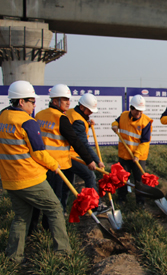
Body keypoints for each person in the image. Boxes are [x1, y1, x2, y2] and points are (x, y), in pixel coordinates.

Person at [0, 80, 72, 263]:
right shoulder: (27, 122)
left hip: (9, 179)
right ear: (21, 102)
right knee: (55, 208)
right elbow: (39, 153)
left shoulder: (2, 117)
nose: (34, 105)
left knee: (21, 216)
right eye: (31, 101)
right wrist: (54, 165)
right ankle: (63, 252)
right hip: (29, 178)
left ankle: (14, 257)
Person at [33, 84, 102, 230]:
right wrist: (91, 160)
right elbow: (77, 141)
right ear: (55, 101)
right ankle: (53, 225)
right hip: (58, 163)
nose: (68, 103)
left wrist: (88, 125)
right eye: (64, 100)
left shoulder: (39, 115)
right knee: (56, 196)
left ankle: (42, 224)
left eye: (68, 100)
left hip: (41, 162)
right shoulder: (61, 118)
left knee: (46, 195)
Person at [62, 93, 106, 214]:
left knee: (67, 183)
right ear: (82, 107)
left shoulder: (72, 113)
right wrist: (96, 160)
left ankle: (62, 209)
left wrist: (87, 122)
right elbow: (83, 144)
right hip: (71, 154)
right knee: (89, 175)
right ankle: (95, 206)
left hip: (63, 153)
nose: (91, 113)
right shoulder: (78, 121)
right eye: (89, 110)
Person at [112, 94, 153, 206]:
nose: (138, 113)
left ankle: (140, 201)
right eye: (136, 110)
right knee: (122, 178)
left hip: (139, 156)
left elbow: (145, 141)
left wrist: (137, 155)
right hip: (124, 154)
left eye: (140, 111)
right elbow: (116, 122)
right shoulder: (124, 116)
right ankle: (122, 198)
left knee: (139, 179)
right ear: (131, 108)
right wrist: (115, 125)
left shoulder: (146, 122)